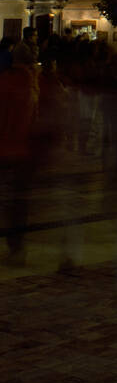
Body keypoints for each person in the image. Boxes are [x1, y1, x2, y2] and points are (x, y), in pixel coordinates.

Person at [0, 44, 39, 262]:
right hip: (23, 151)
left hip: (3, 148)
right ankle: (17, 249)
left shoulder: (4, 81)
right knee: (18, 204)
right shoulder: (34, 85)